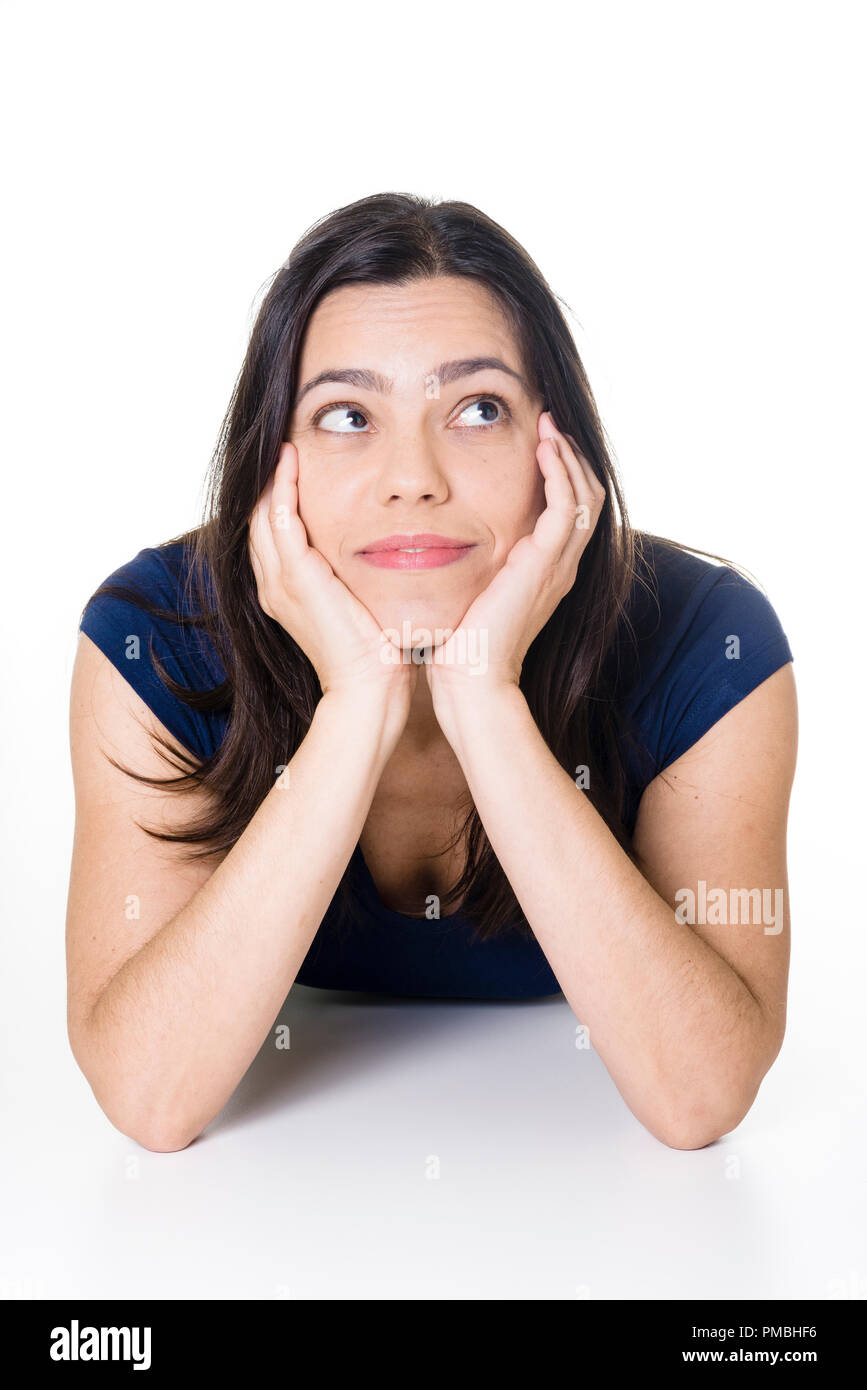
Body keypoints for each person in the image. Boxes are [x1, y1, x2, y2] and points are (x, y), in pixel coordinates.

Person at [66, 193, 797, 1154]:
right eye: (346, 415)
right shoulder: (154, 635)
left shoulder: (708, 639)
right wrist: (357, 702)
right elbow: (150, 1101)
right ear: (270, 457)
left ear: (556, 446)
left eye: (477, 409)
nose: (413, 476)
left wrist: (482, 698)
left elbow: (699, 1099)